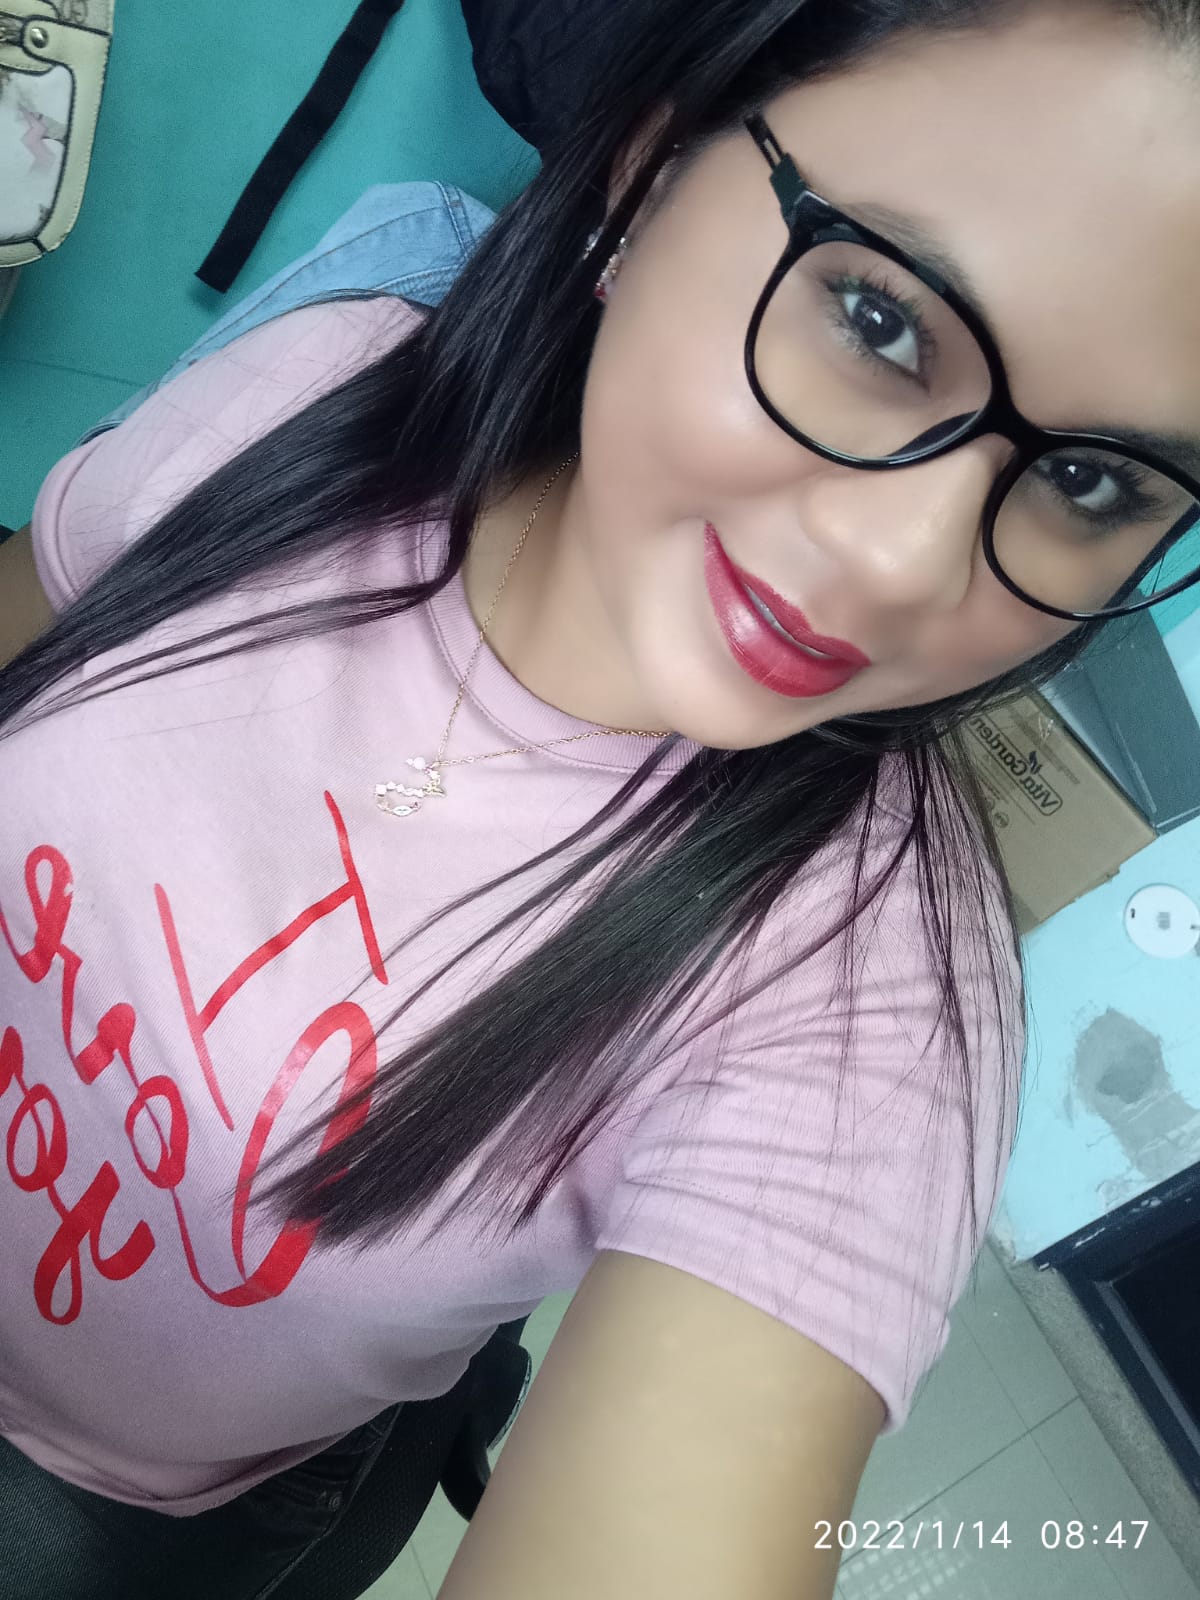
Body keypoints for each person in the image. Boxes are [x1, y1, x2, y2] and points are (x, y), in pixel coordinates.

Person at [2, 1, 1200, 1596]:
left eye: (1091, 480)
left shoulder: (864, 1016)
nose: (905, 562)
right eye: (878, 319)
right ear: (647, 174)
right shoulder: (327, 377)